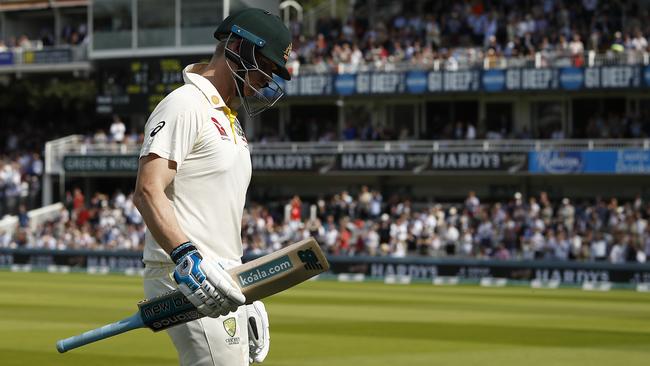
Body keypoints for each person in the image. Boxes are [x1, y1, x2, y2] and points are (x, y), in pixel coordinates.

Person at [133, 8, 292, 366]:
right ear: (237, 46)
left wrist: (244, 290)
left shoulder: (229, 120)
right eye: (264, 65)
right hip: (186, 274)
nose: (266, 80)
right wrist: (186, 258)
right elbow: (147, 190)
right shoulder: (184, 104)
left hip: (222, 276)